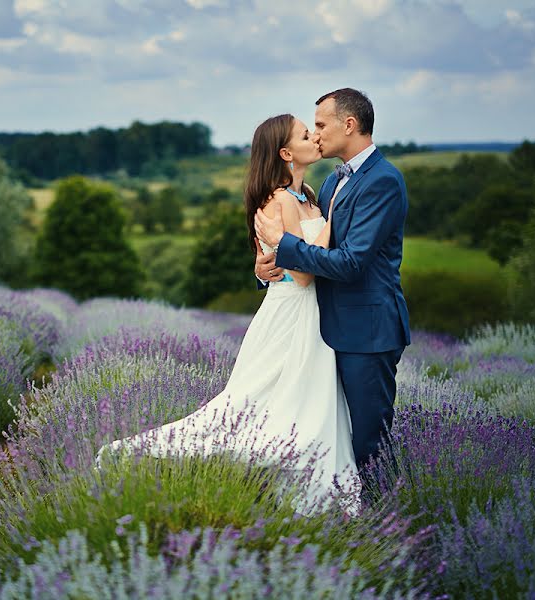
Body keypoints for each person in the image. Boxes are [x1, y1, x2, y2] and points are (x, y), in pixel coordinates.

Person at [95, 113, 359, 517]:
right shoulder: (281, 200)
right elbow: (303, 276)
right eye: (307, 134)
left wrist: (278, 251)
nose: (316, 138)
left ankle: (315, 498)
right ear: (287, 152)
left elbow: (281, 260)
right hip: (291, 314)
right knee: (247, 406)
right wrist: (330, 222)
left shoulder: (308, 193)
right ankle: (150, 457)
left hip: (313, 316)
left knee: (307, 404)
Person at [254, 89, 411, 494]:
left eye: (321, 125)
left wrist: (285, 247)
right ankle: (329, 511)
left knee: (367, 440)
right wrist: (268, 267)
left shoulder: (383, 181)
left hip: (367, 330)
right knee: (327, 433)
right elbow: (310, 253)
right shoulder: (328, 185)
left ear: (350, 125)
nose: (317, 134)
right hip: (323, 331)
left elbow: (350, 262)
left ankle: (380, 523)